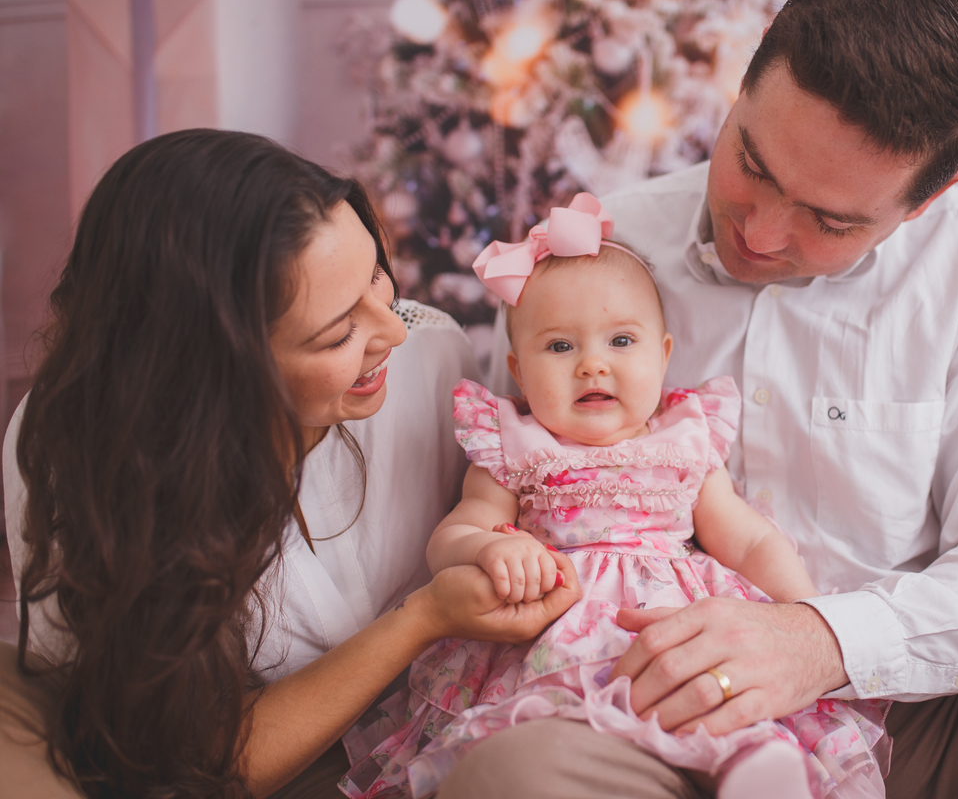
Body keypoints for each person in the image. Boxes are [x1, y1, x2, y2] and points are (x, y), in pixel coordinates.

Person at [456, 0, 958, 797]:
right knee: (515, 777)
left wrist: (822, 641)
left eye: (830, 220)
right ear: (744, 85)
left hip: (937, 714)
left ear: (928, 197)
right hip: (642, 703)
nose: (765, 233)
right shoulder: (603, 250)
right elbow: (504, 501)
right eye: (755, 165)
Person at [0, 129, 580, 799]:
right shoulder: (76, 457)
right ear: (217, 369)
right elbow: (182, 764)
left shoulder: (430, 360)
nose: (392, 329)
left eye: (374, 277)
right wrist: (422, 618)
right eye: (338, 333)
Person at [339, 194, 889, 799]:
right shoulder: (514, 447)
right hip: (553, 643)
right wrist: (490, 550)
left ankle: (750, 763)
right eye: (560, 347)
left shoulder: (685, 442)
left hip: (673, 628)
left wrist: (802, 613)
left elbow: (749, 537)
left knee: (713, 693)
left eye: (621, 342)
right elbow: (452, 536)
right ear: (519, 372)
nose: (592, 366)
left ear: (664, 356)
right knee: (544, 732)